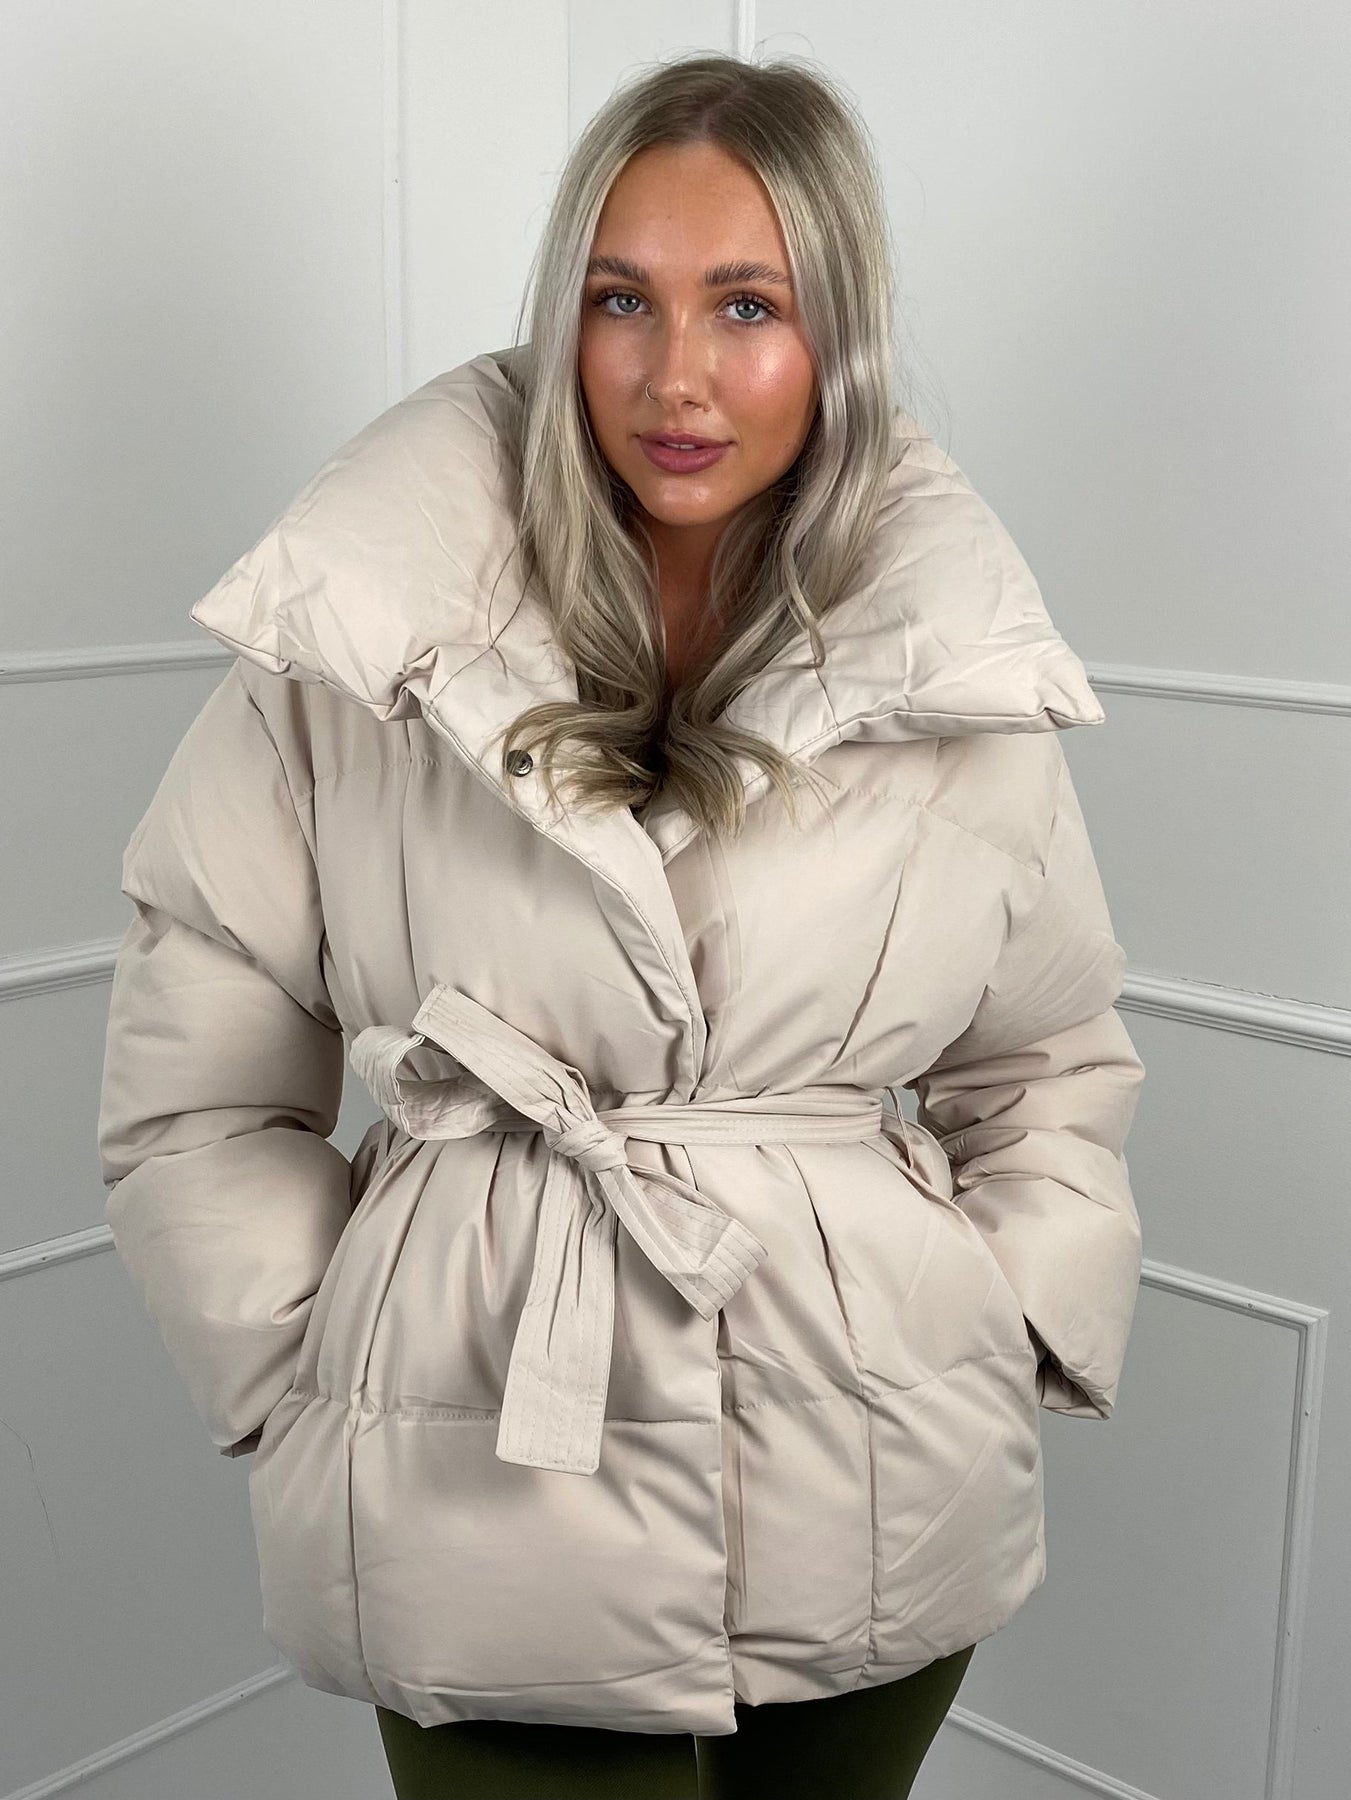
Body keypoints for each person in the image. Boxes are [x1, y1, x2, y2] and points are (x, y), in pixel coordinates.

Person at [96, 50, 1146, 1800]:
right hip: (481, 1473)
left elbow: (1048, 1064)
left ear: (838, 335)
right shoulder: (364, 642)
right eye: (619, 299)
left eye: (748, 305)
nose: (676, 376)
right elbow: (197, 1081)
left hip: (876, 1463)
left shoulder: (944, 660)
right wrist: (313, 1369)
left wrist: (998, 1330)